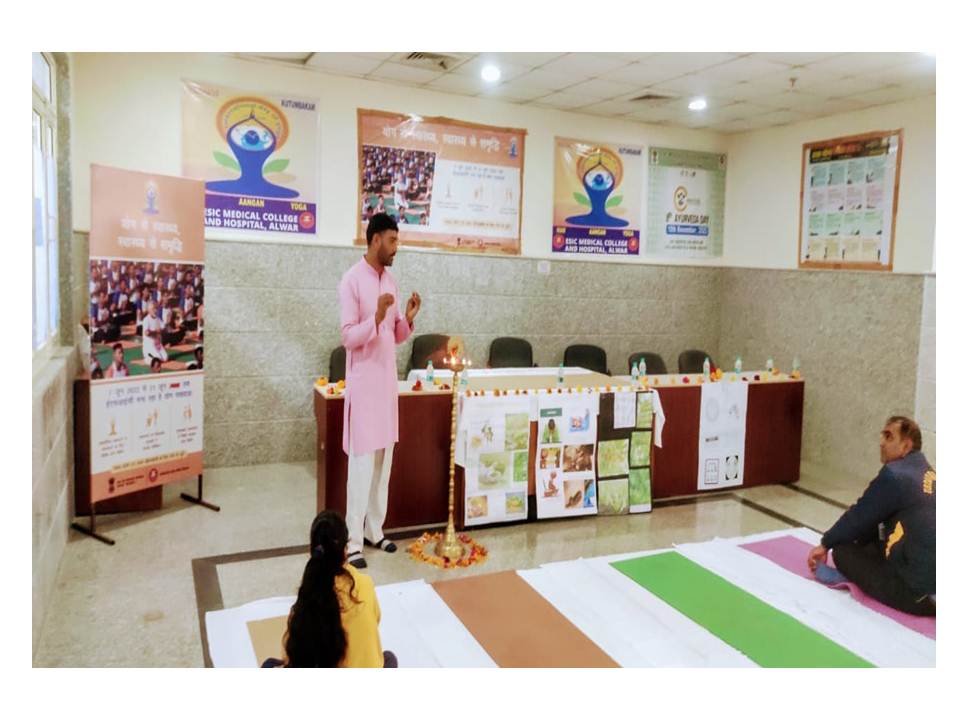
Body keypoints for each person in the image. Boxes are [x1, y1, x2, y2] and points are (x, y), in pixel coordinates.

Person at [337, 212, 421, 569]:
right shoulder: (351, 280)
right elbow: (347, 337)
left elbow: (396, 335)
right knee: (360, 467)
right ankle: (353, 542)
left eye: (397, 240)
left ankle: (375, 530)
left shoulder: (392, 281)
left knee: (382, 465)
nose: (396, 247)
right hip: (363, 386)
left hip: (386, 386)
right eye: (392, 240)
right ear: (375, 240)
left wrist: (408, 318)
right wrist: (375, 316)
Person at [807, 416, 935, 616]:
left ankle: (853, 578)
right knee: (874, 532)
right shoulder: (928, 473)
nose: (881, 443)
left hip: (918, 595)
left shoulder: (895, 475)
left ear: (906, 446)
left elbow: (858, 517)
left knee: (842, 551)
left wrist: (825, 544)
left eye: (889, 437)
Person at [261, 511, 397, 668]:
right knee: (389, 657)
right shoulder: (365, 583)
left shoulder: (308, 595)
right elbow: (375, 620)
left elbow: (296, 649)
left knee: (269, 664)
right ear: (345, 550)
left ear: (311, 550)